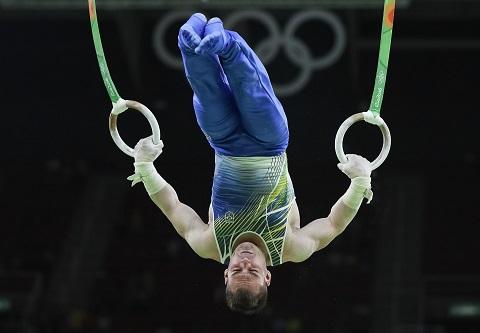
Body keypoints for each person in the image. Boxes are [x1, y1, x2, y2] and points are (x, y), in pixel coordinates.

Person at [127, 13, 373, 315]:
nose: (245, 263)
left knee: (204, 87)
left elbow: (173, 207)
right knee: (248, 85)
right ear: (267, 277)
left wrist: (145, 167)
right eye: (253, 272)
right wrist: (360, 183)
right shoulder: (290, 247)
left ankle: (190, 39)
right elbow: (334, 225)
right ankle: (224, 42)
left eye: (237, 271)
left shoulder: (209, 244)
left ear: (225, 274)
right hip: (269, 143)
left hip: (224, 142)